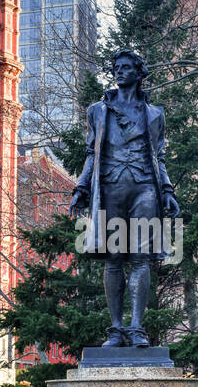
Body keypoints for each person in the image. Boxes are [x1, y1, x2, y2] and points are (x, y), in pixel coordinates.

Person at [70, 49, 181, 348]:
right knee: (114, 259)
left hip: (144, 186)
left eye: (126, 67)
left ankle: (136, 329)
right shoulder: (98, 110)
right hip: (110, 188)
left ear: (138, 72)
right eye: (116, 67)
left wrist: (167, 190)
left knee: (141, 258)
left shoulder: (154, 113)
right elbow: (92, 153)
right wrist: (81, 187)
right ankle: (116, 330)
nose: (119, 72)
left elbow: (159, 155)